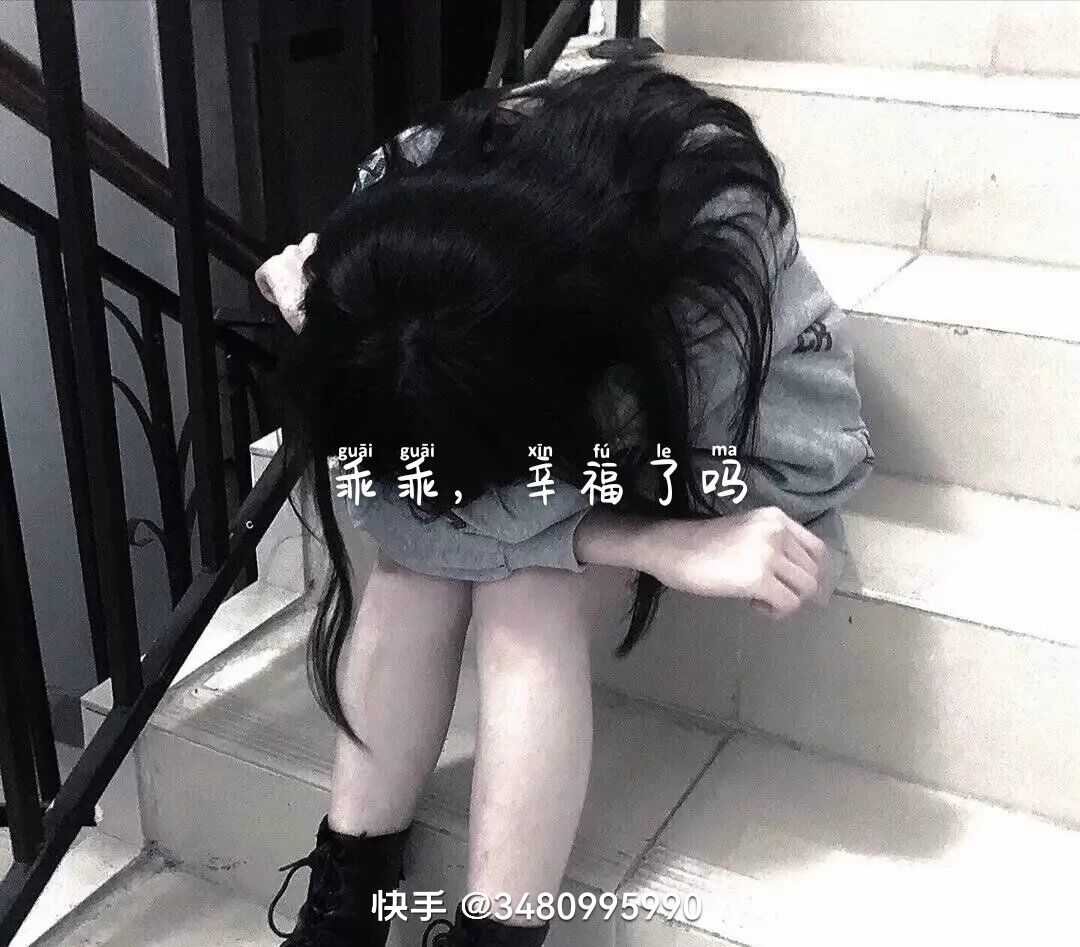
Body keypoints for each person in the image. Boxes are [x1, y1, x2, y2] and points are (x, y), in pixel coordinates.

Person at [256, 60, 873, 947]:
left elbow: (755, 461)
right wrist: (323, 320)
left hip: (714, 435)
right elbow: (407, 510)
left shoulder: (703, 251)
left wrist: (652, 536)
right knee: (414, 569)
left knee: (525, 597)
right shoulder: (398, 194)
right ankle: (346, 905)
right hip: (536, 399)